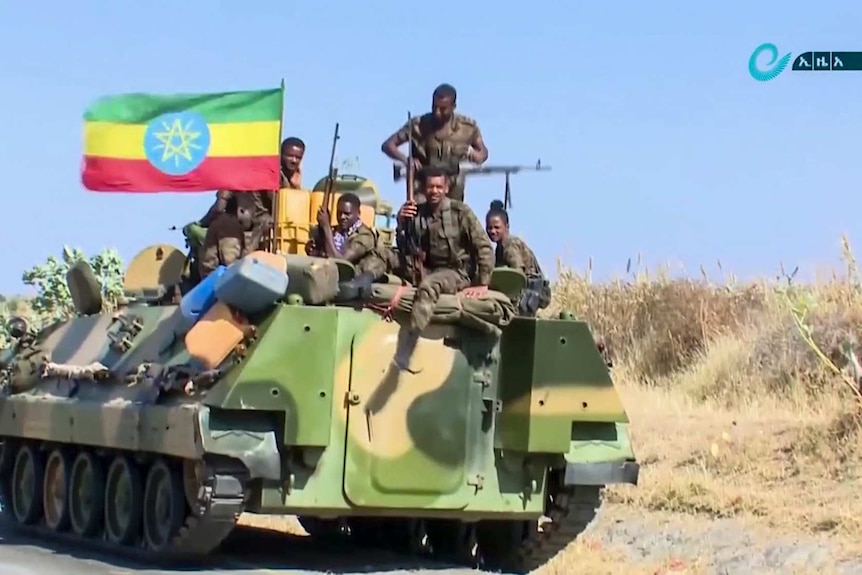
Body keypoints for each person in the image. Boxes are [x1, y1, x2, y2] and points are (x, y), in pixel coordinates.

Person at [390, 166, 494, 371]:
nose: (434, 191)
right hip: (424, 268)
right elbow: (404, 247)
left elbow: (483, 246)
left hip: (456, 273)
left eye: (439, 187)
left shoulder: (460, 213)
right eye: (430, 187)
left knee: (429, 286)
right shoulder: (418, 213)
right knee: (385, 254)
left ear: (447, 188)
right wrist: (402, 223)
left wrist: (483, 283)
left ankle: (408, 345)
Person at [380, 83, 488, 202]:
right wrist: (406, 160)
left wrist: (478, 156)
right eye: (434, 107)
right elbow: (388, 145)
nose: (437, 112)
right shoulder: (418, 125)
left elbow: (483, 152)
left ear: (453, 107)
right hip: (423, 190)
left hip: (452, 192)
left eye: (443, 109)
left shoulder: (467, 128)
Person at [485, 200, 551, 316]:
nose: (492, 231)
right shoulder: (500, 246)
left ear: (506, 227)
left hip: (527, 294)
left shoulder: (509, 244)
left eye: (497, 227)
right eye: (489, 228)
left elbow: (517, 275)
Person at [307, 193, 377, 262]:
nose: (342, 217)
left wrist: (326, 227)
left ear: (358, 213)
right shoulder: (335, 231)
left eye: (347, 214)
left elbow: (341, 262)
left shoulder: (365, 236)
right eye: (339, 213)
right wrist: (313, 250)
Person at [199, 197, 252, 278]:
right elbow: (230, 261)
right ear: (241, 210)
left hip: (213, 276)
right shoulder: (229, 223)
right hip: (218, 280)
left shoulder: (222, 221)